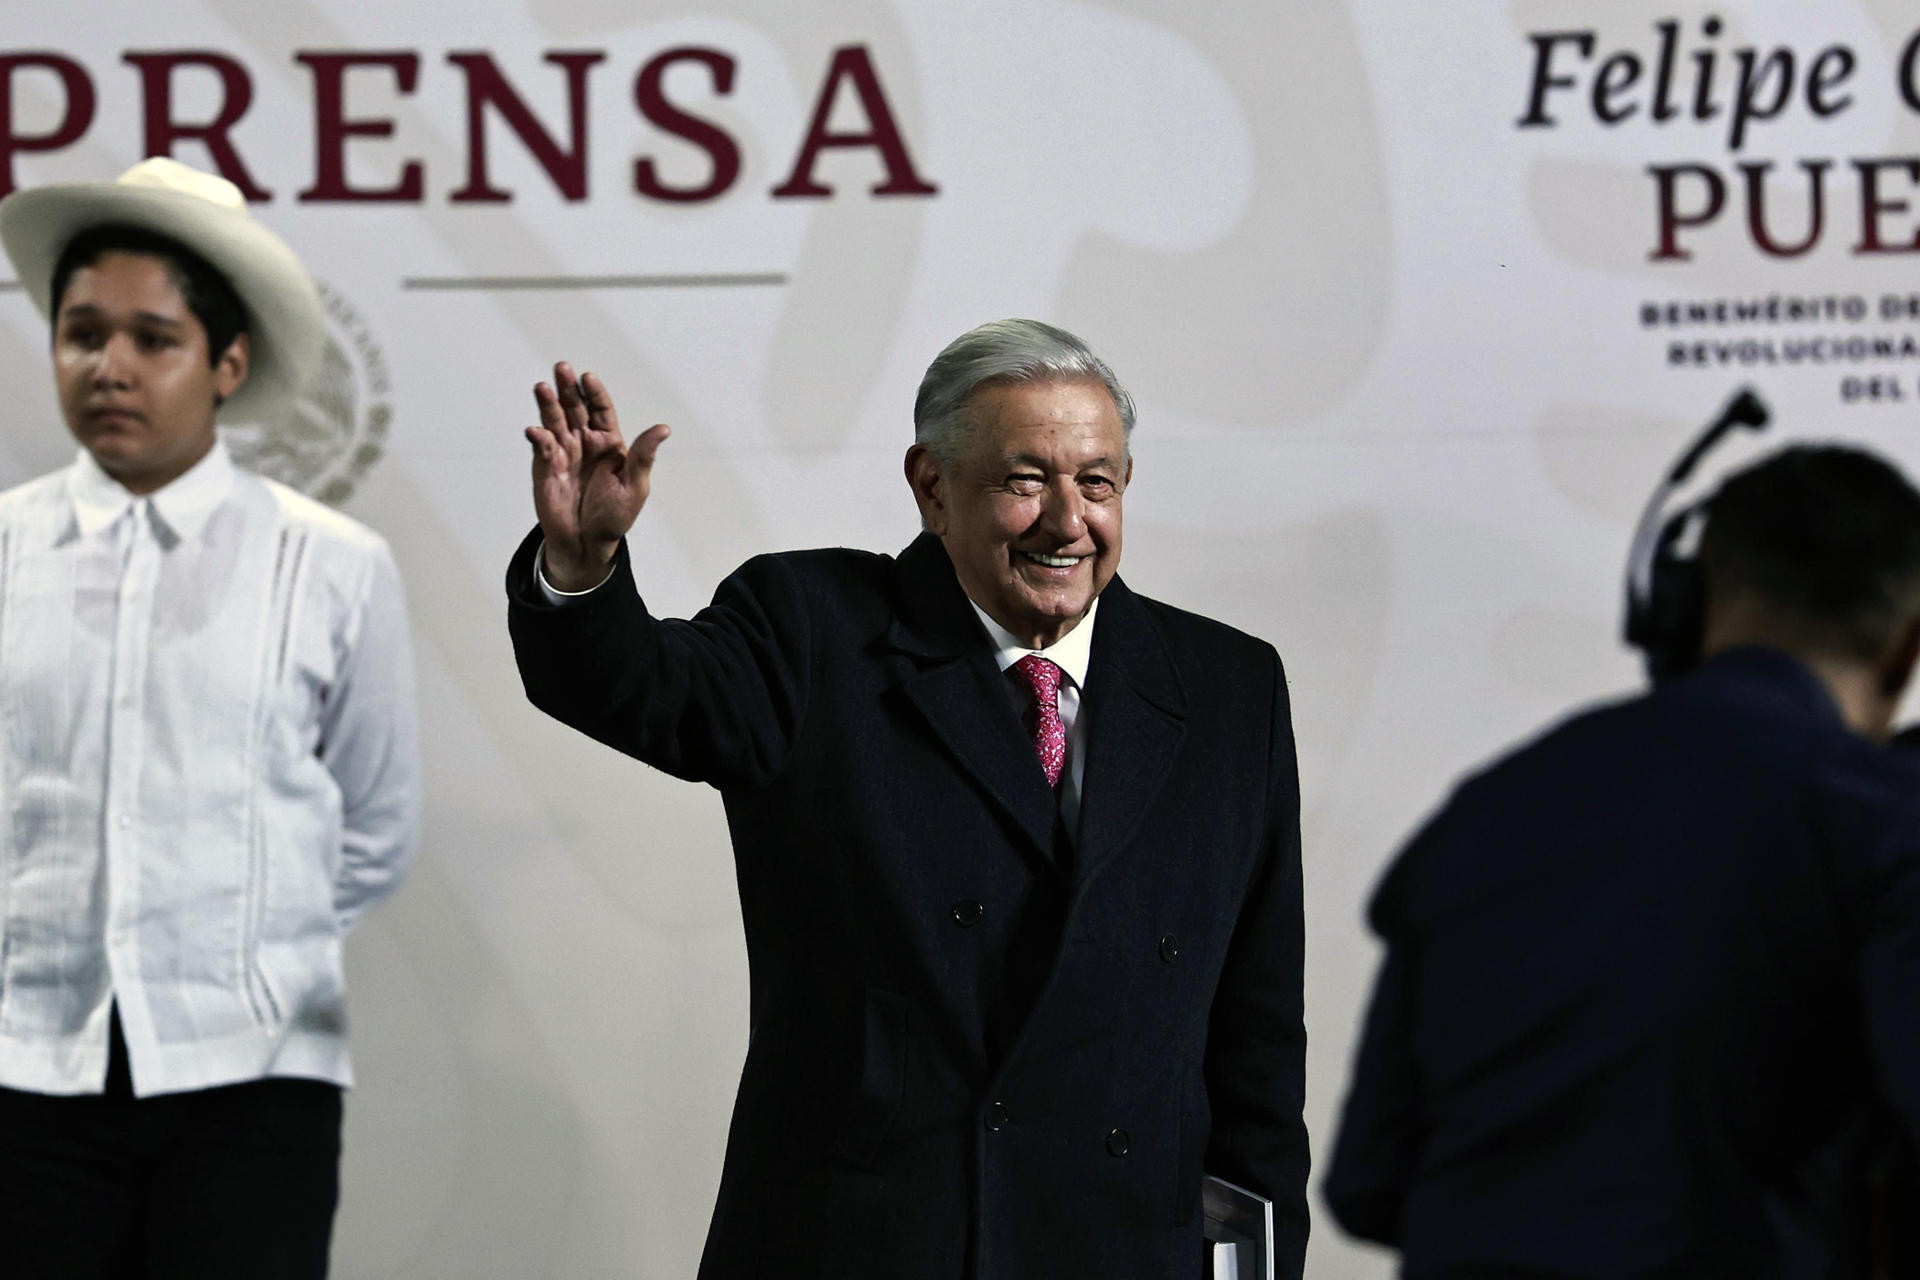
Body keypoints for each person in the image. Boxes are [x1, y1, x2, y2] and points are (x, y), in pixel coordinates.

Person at [505, 319, 1308, 1278]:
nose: (1067, 521)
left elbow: (1256, 1043)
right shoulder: (812, 631)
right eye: (1024, 480)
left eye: (1097, 482)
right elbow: (640, 688)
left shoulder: (1226, 687)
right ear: (931, 486)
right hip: (870, 1243)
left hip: (1124, 1248)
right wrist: (584, 571)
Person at [1325, 444, 1920, 1277]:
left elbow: (1367, 1185)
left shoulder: (1486, 812)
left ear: (1682, 608)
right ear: (1907, 646)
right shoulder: (1887, 822)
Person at [0, 158, 420, 1278]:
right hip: (29, 1074)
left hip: (255, 1084)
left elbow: (375, 826)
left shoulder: (330, 564)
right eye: (81, 332)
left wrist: (243, 936)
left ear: (229, 361)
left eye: (153, 337)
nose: (109, 366)